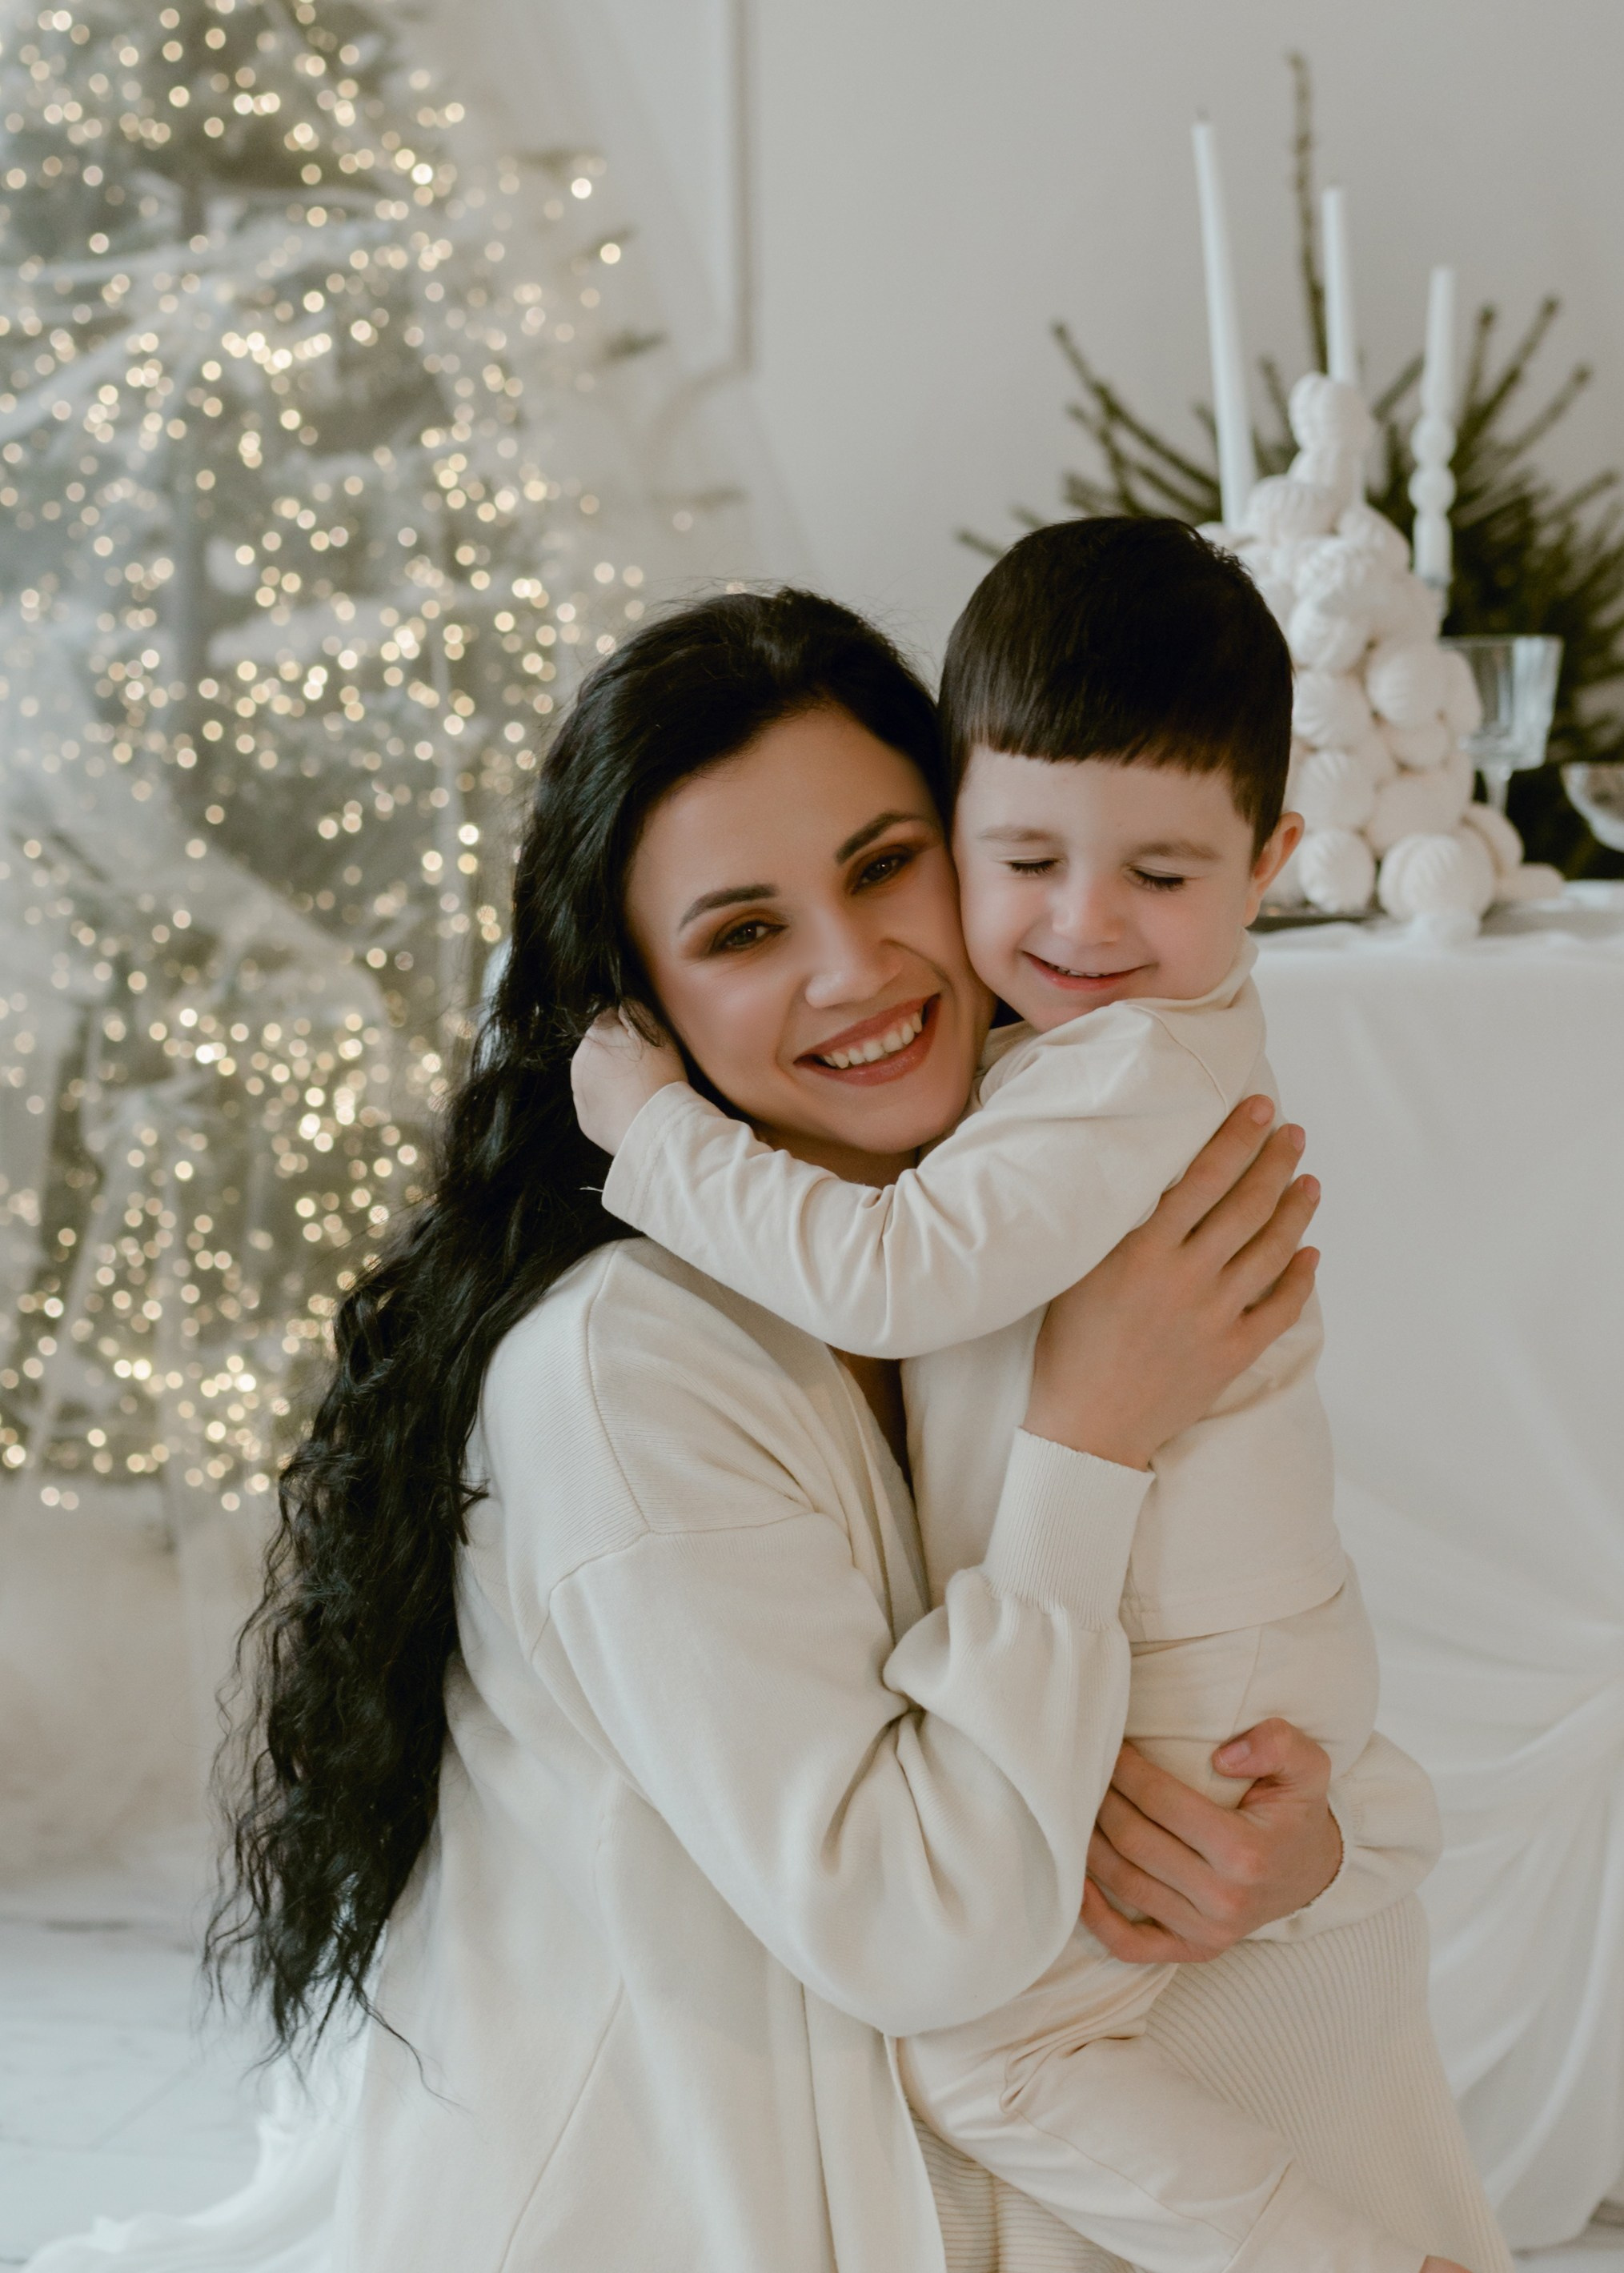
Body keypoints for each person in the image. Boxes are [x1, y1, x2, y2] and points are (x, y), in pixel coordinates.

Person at [203, 587, 1449, 2273]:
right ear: (635, 1005)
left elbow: (1250, 1630)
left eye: (882, 866)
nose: (855, 968)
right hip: (750, 2214)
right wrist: (1091, 1434)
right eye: (740, 933)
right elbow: (922, 1935)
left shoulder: (1034, 1209)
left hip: (989, 2156)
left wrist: (1304, 1841)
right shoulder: (628, 1370)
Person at [571, 530, 1510, 2273]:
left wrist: (655, 1131)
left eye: (1158, 872)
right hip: (1205, 1649)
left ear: (1271, 864)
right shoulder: (633, 1367)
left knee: (992, 2052)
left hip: (1189, 1674)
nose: (1081, 924)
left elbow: (894, 1273)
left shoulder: (1126, 1070)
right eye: (1020, 860)